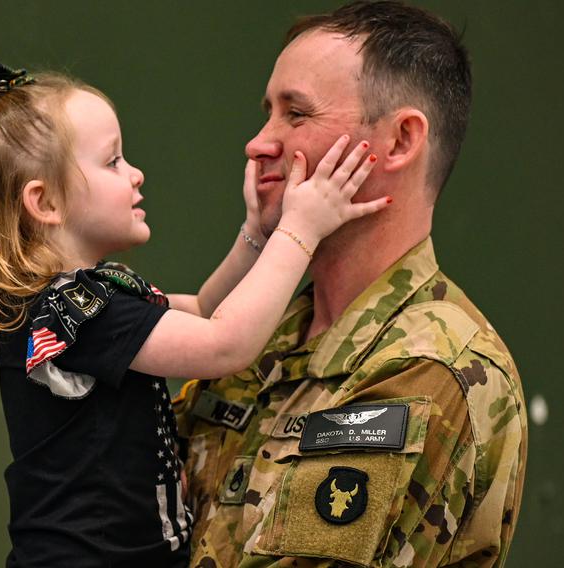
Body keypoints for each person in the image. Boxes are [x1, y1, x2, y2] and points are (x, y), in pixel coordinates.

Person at [0, 60, 390, 567]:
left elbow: (202, 311)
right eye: (113, 162)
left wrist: (256, 235)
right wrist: (300, 230)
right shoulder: (70, 310)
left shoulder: (91, 294)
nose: (135, 173)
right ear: (46, 202)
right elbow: (223, 343)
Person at [173, 2, 527, 567]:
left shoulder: (429, 365)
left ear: (399, 141)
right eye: (268, 113)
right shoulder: (257, 335)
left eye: (296, 115)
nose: (259, 143)